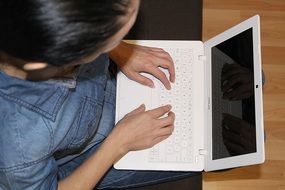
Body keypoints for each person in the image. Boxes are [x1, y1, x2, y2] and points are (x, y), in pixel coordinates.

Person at [0, 0, 197, 189]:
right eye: (109, 39)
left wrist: (119, 49)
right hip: (88, 156)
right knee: (199, 155)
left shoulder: (28, 37)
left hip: (97, 103)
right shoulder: (19, 145)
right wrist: (118, 144)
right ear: (52, 55)